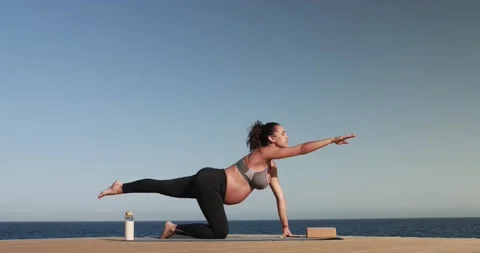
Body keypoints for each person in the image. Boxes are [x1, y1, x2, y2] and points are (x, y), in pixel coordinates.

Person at [97, 120, 356, 239]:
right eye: (284, 133)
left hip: (210, 185)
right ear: (271, 139)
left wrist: (285, 227)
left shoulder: (271, 166)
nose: (288, 137)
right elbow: (300, 149)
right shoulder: (262, 153)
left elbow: (280, 197)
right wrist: (331, 140)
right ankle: (174, 228)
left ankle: (121, 187)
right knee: (220, 233)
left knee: (164, 186)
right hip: (212, 182)